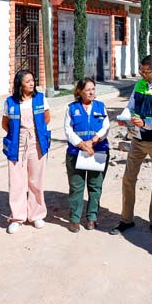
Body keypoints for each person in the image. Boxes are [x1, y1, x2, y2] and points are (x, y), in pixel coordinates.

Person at [110, 55, 152, 238]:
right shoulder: (139, 85)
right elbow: (131, 106)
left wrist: (145, 123)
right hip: (137, 141)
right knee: (128, 179)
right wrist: (125, 118)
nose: (142, 74)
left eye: (145, 72)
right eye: (141, 71)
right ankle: (126, 219)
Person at [1, 69, 52, 234]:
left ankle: (36, 215)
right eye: (28, 81)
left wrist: (35, 134)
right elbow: (5, 124)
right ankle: (17, 217)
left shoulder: (40, 98)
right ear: (20, 85)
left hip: (36, 142)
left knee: (36, 180)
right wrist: (19, 134)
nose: (32, 83)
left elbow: (46, 118)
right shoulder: (10, 102)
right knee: (17, 182)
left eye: (32, 80)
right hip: (17, 143)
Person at [63, 78, 110, 233]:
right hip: (76, 153)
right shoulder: (71, 108)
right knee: (76, 187)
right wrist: (82, 145)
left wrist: (93, 140)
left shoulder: (100, 106)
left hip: (98, 151)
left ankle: (91, 218)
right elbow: (68, 130)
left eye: (93, 89)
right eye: (88, 90)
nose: (91, 92)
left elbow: (106, 126)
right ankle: (75, 220)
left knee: (95, 186)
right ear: (79, 92)